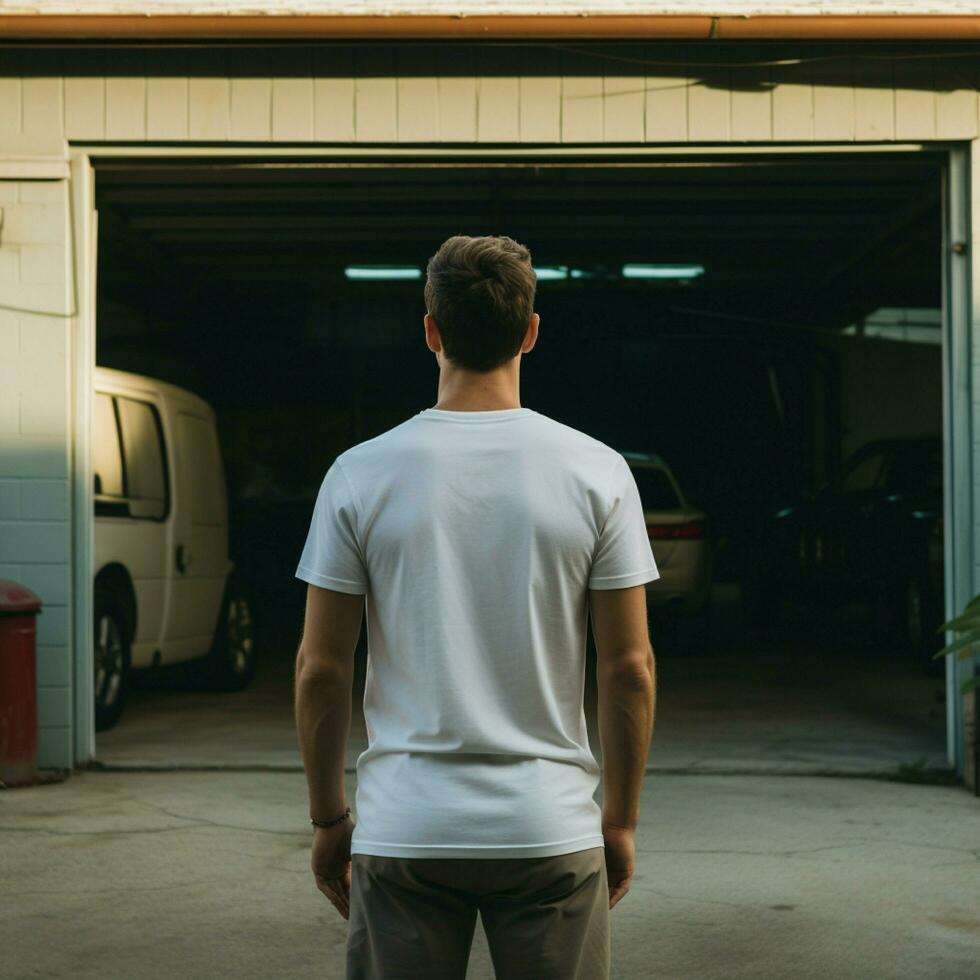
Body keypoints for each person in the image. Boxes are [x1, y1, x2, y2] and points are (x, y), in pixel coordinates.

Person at [294, 234, 659, 980]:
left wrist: (331, 818)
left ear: (430, 330)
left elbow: (320, 670)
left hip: (406, 830)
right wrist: (617, 821)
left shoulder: (359, 474)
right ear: (530, 331)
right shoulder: (599, 473)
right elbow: (630, 669)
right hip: (549, 827)